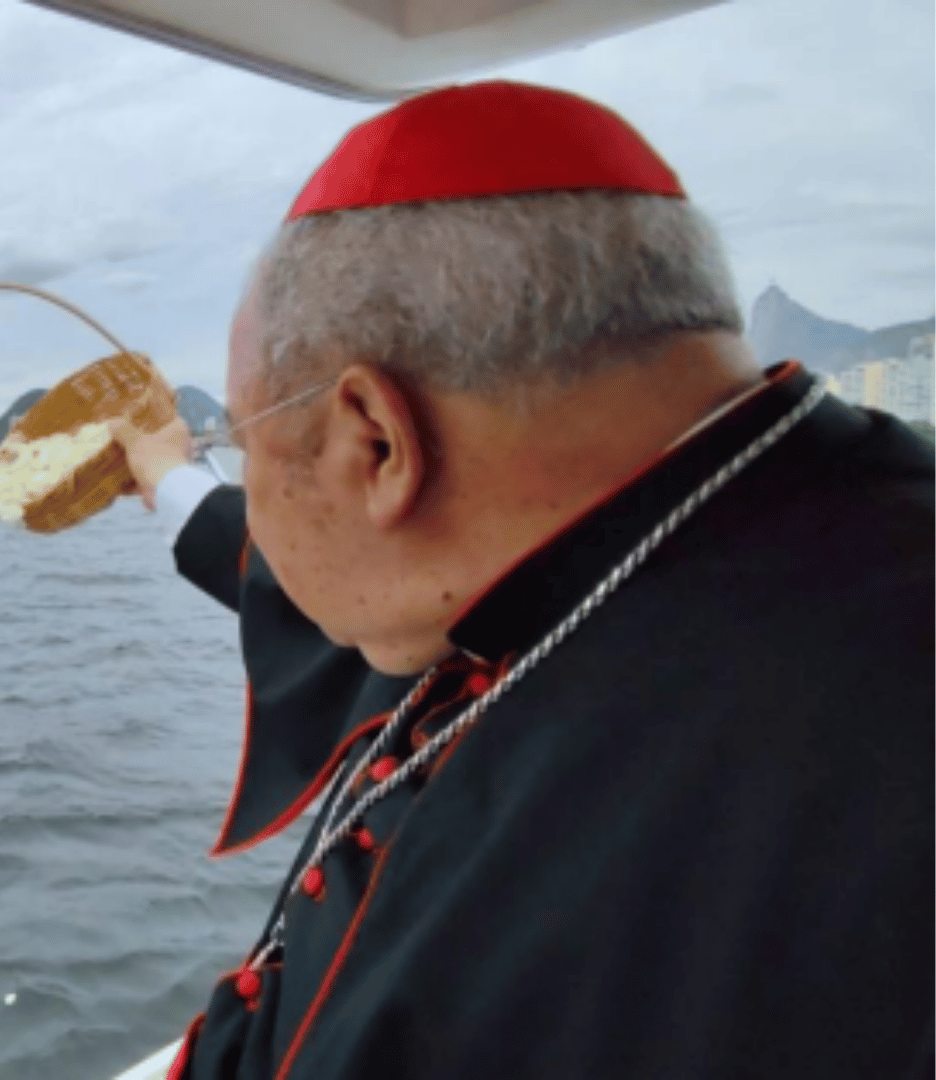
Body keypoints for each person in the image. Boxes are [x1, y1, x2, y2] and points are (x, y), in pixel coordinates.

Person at [110, 81, 933, 1080]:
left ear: (376, 441)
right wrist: (166, 475)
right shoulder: (649, 527)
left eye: (242, 444)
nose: (255, 499)